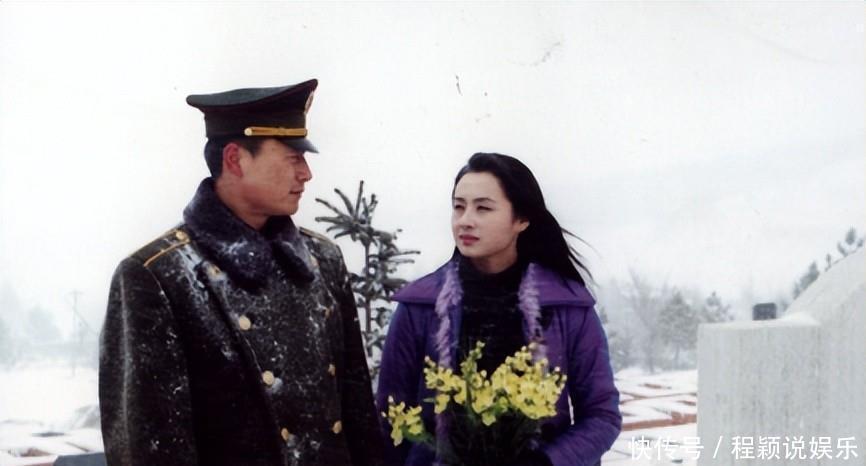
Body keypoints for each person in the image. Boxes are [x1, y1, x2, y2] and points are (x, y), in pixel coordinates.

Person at [99, 79, 384, 466]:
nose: (306, 173)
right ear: (235, 159)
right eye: (292, 157)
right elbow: (150, 450)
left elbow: (359, 421)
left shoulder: (323, 259)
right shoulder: (157, 276)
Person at [376, 153, 621, 466]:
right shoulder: (420, 307)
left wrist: (545, 463)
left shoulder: (567, 306)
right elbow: (389, 419)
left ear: (522, 219)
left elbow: (602, 415)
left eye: (483, 208)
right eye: (458, 206)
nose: (465, 220)